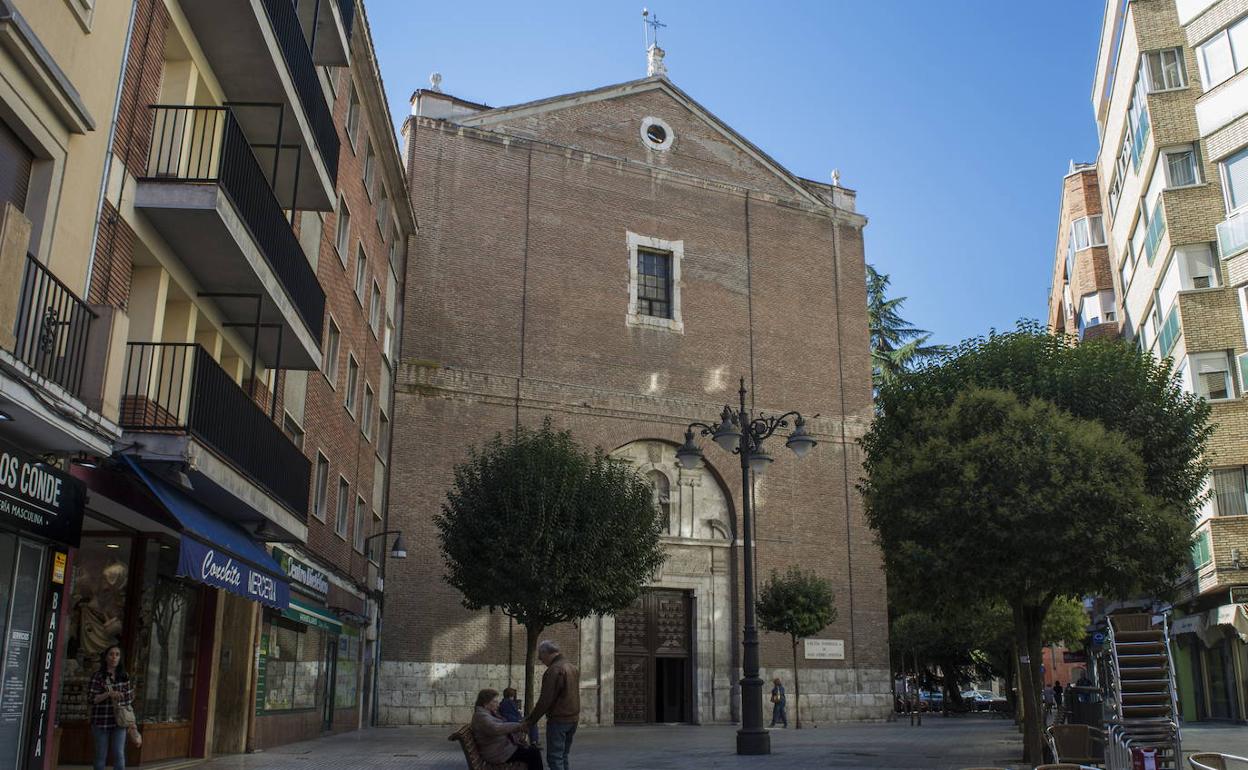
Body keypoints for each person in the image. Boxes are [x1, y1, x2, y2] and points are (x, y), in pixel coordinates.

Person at [527, 640, 580, 770]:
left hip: (559, 720)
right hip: (573, 719)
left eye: (541, 655)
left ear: (547, 653)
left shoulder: (554, 670)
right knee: (563, 755)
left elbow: (545, 700)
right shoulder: (572, 667)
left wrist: (531, 721)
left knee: (555, 758)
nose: (540, 659)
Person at [471, 688, 543, 770]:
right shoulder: (481, 717)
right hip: (497, 753)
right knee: (534, 753)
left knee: (533, 751)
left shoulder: (486, 713)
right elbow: (496, 728)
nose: (498, 705)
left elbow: (503, 723)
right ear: (485, 703)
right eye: (495, 702)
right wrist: (518, 726)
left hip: (501, 749)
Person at [88, 645, 132, 770]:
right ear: (106, 657)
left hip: (119, 721)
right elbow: (91, 699)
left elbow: (128, 699)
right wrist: (108, 694)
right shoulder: (98, 676)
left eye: (117, 654)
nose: (114, 657)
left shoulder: (124, 676)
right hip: (101, 721)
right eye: (111, 654)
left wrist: (120, 696)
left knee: (119, 754)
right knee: (100, 755)